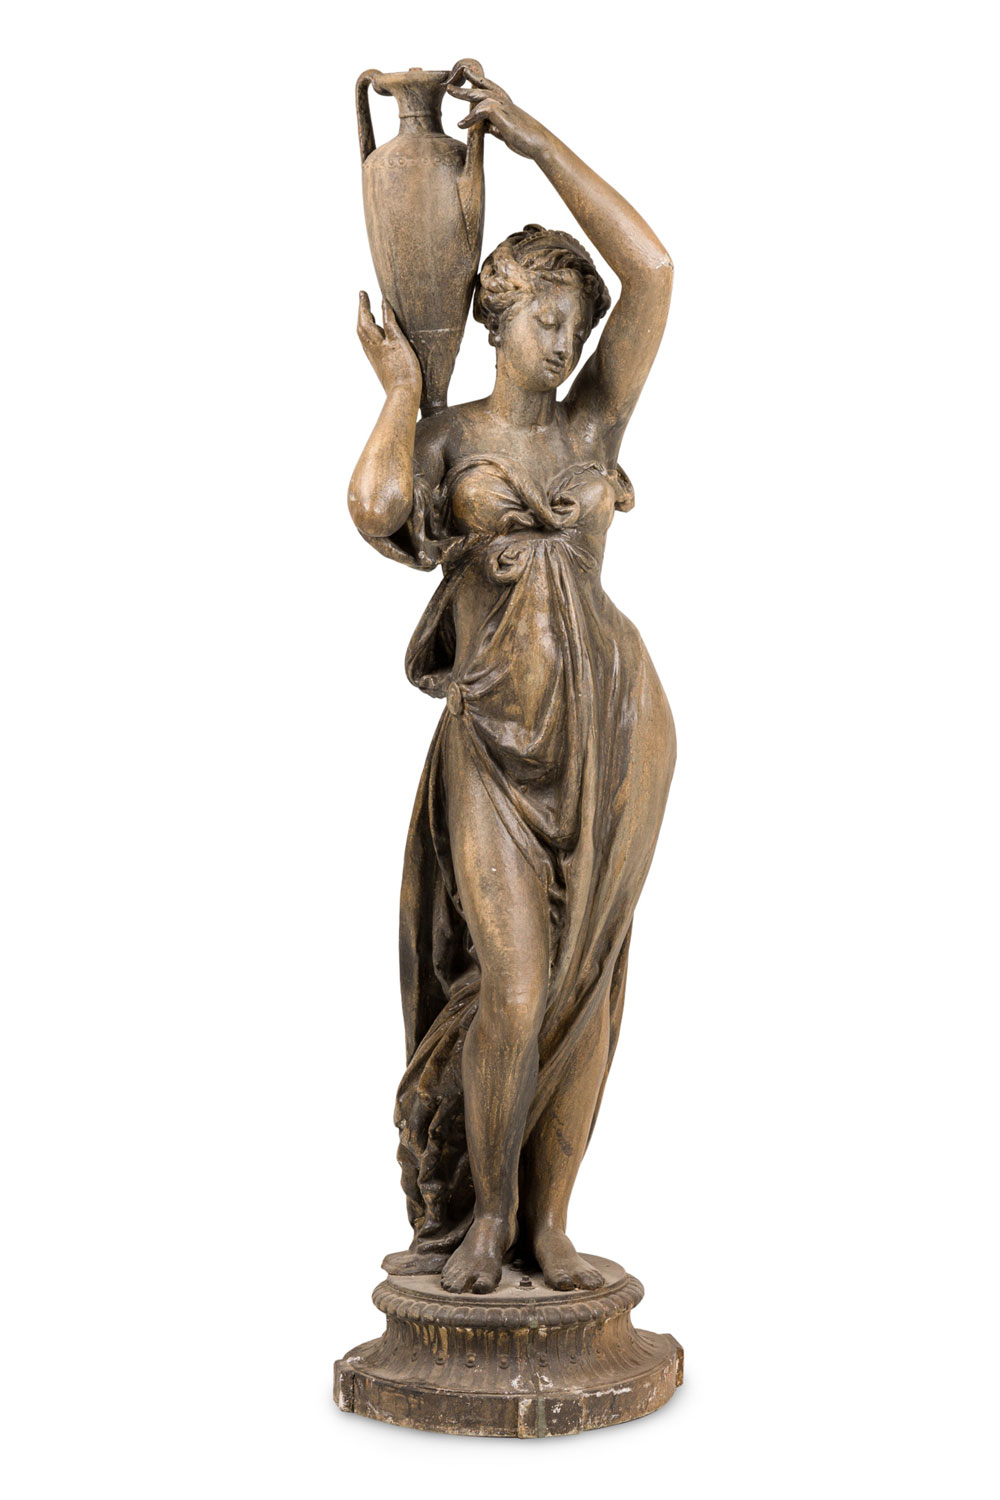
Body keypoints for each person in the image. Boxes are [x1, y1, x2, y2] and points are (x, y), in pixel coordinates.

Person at [348, 67, 676, 1295]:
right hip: (492, 742)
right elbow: (377, 508)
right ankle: (481, 1218)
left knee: (587, 975)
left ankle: (547, 1224)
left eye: (575, 325)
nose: (567, 340)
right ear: (498, 313)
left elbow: (654, 271)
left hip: (613, 733)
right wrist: (400, 395)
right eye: (548, 317)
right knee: (516, 982)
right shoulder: (451, 438)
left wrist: (534, 142)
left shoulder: (592, 431)